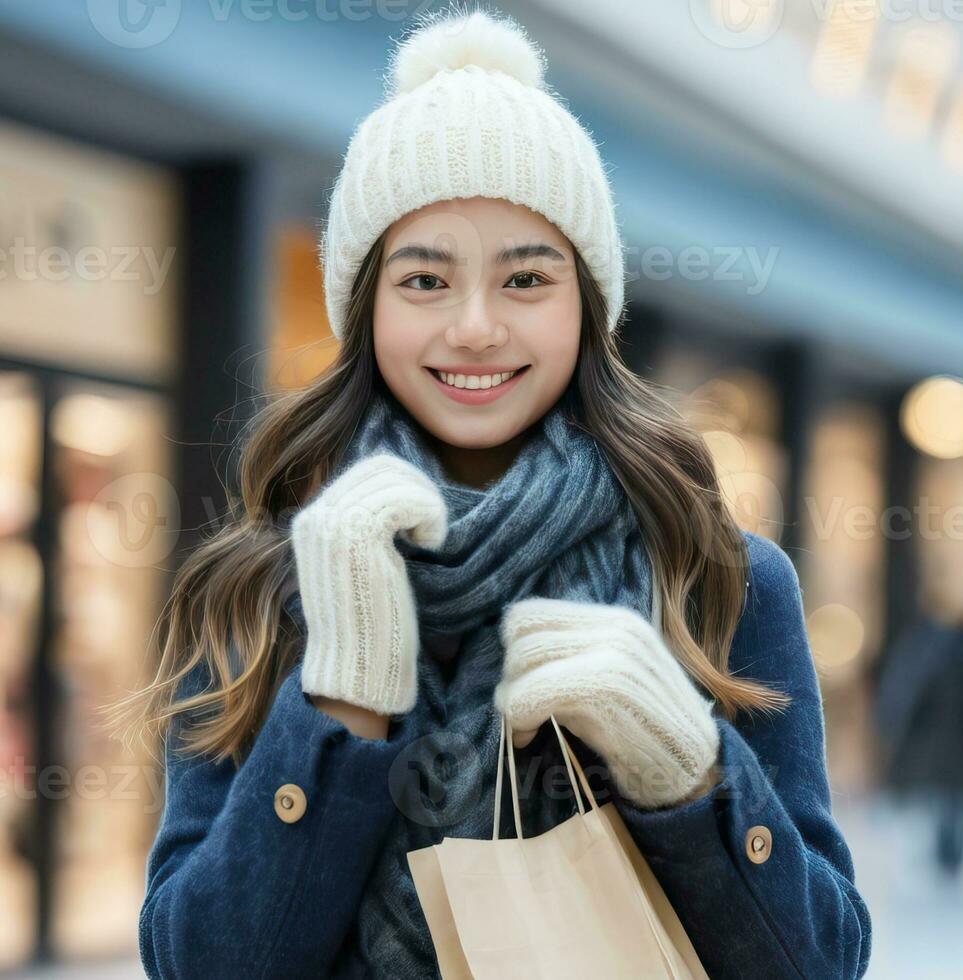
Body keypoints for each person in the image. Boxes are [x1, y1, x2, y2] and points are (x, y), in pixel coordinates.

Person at [113, 12, 870, 978]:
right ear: (366, 306)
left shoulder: (718, 577)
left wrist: (690, 773)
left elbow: (823, 964)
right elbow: (200, 964)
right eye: (424, 279)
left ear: (586, 305)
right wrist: (339, 700)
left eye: (525, 279)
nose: (474, 327)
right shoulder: (261, 585)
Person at [873, 607, 963, 876]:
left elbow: (917, 705)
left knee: (946, 803)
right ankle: (952, 857)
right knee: (957, 804)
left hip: (942, 750)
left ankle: (947, 856)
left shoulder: (935, 666)